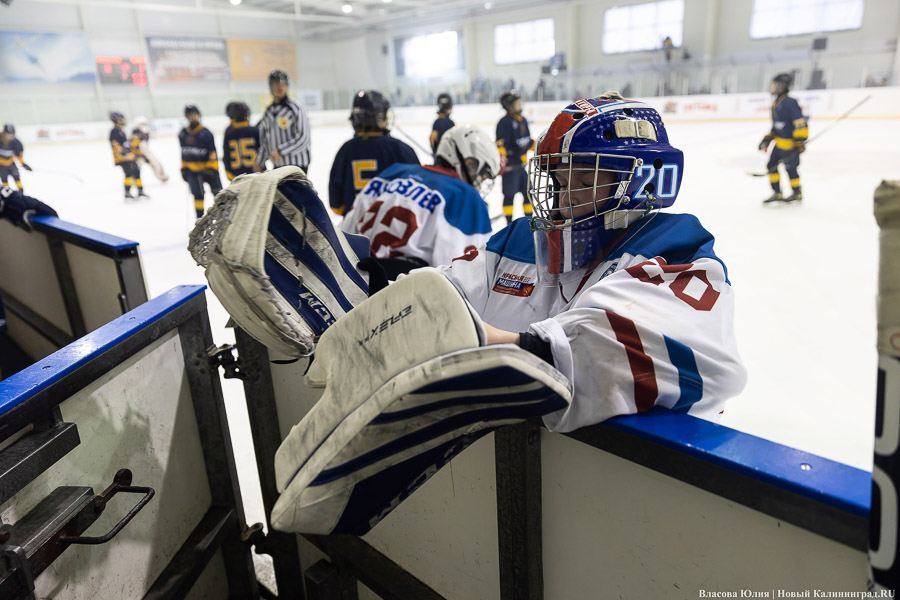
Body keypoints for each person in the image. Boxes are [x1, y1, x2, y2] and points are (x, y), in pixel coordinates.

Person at [190, 93, 746, 536]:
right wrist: (362, 306)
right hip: (529, 510)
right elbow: (443, 290)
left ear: (640, 179)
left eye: (580, 176)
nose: (559, 192)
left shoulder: (680, 252)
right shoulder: (522, 238)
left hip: (633, 521)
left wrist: (496, 344)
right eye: (557, 174)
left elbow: (685, 357)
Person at [340, 124, 498, 278]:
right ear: (470, 164)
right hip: (405, 293)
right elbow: (461, 278)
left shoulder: (393, 172)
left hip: (356, 279)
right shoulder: (464, 195)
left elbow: (344, 233)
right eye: (481, 175)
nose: (479, 183)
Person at [328, 89, 419, 217]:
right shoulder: (401, 150)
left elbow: (336, 205)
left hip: (356, 231)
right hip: (395, 230)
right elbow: (420, 195)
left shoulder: (345, 151)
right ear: (378, 116)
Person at [759, 73, 808, 204]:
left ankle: (797, 193)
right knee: (772, 166)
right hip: (779, 144)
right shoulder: (776, 103)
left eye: (774, 84)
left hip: (790, 145)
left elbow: (800, 122)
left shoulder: (790, 103)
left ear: (782, 86)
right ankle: (777, 193)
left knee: (791, 169)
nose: (772, 87)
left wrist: (799, 141)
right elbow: (777, 126)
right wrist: (768, 139)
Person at [255, 69, 311, 173]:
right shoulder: (269, 111)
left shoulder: (296, 108)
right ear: (270, 87)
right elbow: (265, 142)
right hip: (278, 166)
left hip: (297, 166)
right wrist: (260, 162)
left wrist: (281, 151)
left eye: (282, 83)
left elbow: (303, 138)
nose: (280, 86)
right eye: (276, 83)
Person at [496, 90, 534, 224]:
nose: (520, 105)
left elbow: (527, 140)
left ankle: (529, 222)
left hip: (521, 167)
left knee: (529, 193)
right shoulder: (504, 122)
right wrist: (503, 157)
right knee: (509, 196)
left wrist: (539, 146)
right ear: (509, 106)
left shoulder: (523, 120)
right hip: (511, 168)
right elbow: (500, 143)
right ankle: (509, 224)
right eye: (517, 103)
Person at [179, 104, 222, 219]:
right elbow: (183, 153)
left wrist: (212, 168)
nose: (192, 117)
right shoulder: (183, 133)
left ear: (198, 115)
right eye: (189, 115)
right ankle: (199, 219)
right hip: (192, 171)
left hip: (209, 170)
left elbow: (213, 152)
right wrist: (183, 168)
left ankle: (223, 218)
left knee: (219, 194)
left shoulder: (206, 133)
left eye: (194, 115)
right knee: (197, 196)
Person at [109, 112, 145, 200]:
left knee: (136, 172)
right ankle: (128, 192)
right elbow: (115, 144)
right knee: (129, 173)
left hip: (128, 156)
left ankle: (139, 191)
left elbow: (125, 144)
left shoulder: (121, 131)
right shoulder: (115, 131)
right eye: (121, 119)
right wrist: (122, 151)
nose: (123, 121)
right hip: (122, 158)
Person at [222, 101, 260, 183]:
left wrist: (230, 175)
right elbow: (264, 151)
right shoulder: (255, 131)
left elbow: (226, 156)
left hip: (237, 176)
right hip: (257, 174)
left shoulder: (229, 132)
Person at [131, 117, 168, 184]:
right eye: (142, 124)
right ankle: (133, 180)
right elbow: (134, 143)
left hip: (146, 151)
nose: (144, 125)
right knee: (137, 167)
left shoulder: (146, 132)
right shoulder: (135, 131)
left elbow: (145, 144)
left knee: (155, 163)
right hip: (138, 153)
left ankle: (162, 177)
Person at [0, 124, 31, 193]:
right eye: (8, 134)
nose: (10, 137)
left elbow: (18, 155)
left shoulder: (16, 143)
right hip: (1, 166)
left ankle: (21, 194)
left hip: (11, 164)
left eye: (12, 134)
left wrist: (23, 164)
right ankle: (7, 198)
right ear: (4, 134)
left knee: (17, 179)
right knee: (5, 181)